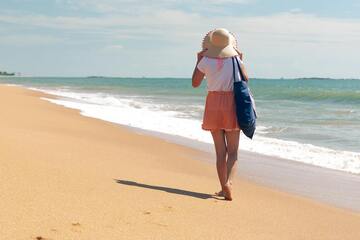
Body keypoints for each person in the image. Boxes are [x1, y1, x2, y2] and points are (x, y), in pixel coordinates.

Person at [192, 28, 249, 201]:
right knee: (233, 152)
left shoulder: (205, 61)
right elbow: (245, 79)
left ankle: (223, 188)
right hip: (232, 103)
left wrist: (198, 61)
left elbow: (195, 83)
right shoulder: (235, 60)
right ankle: (229, 184)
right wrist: (241, 59)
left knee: (220, 152)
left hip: (213, 103)